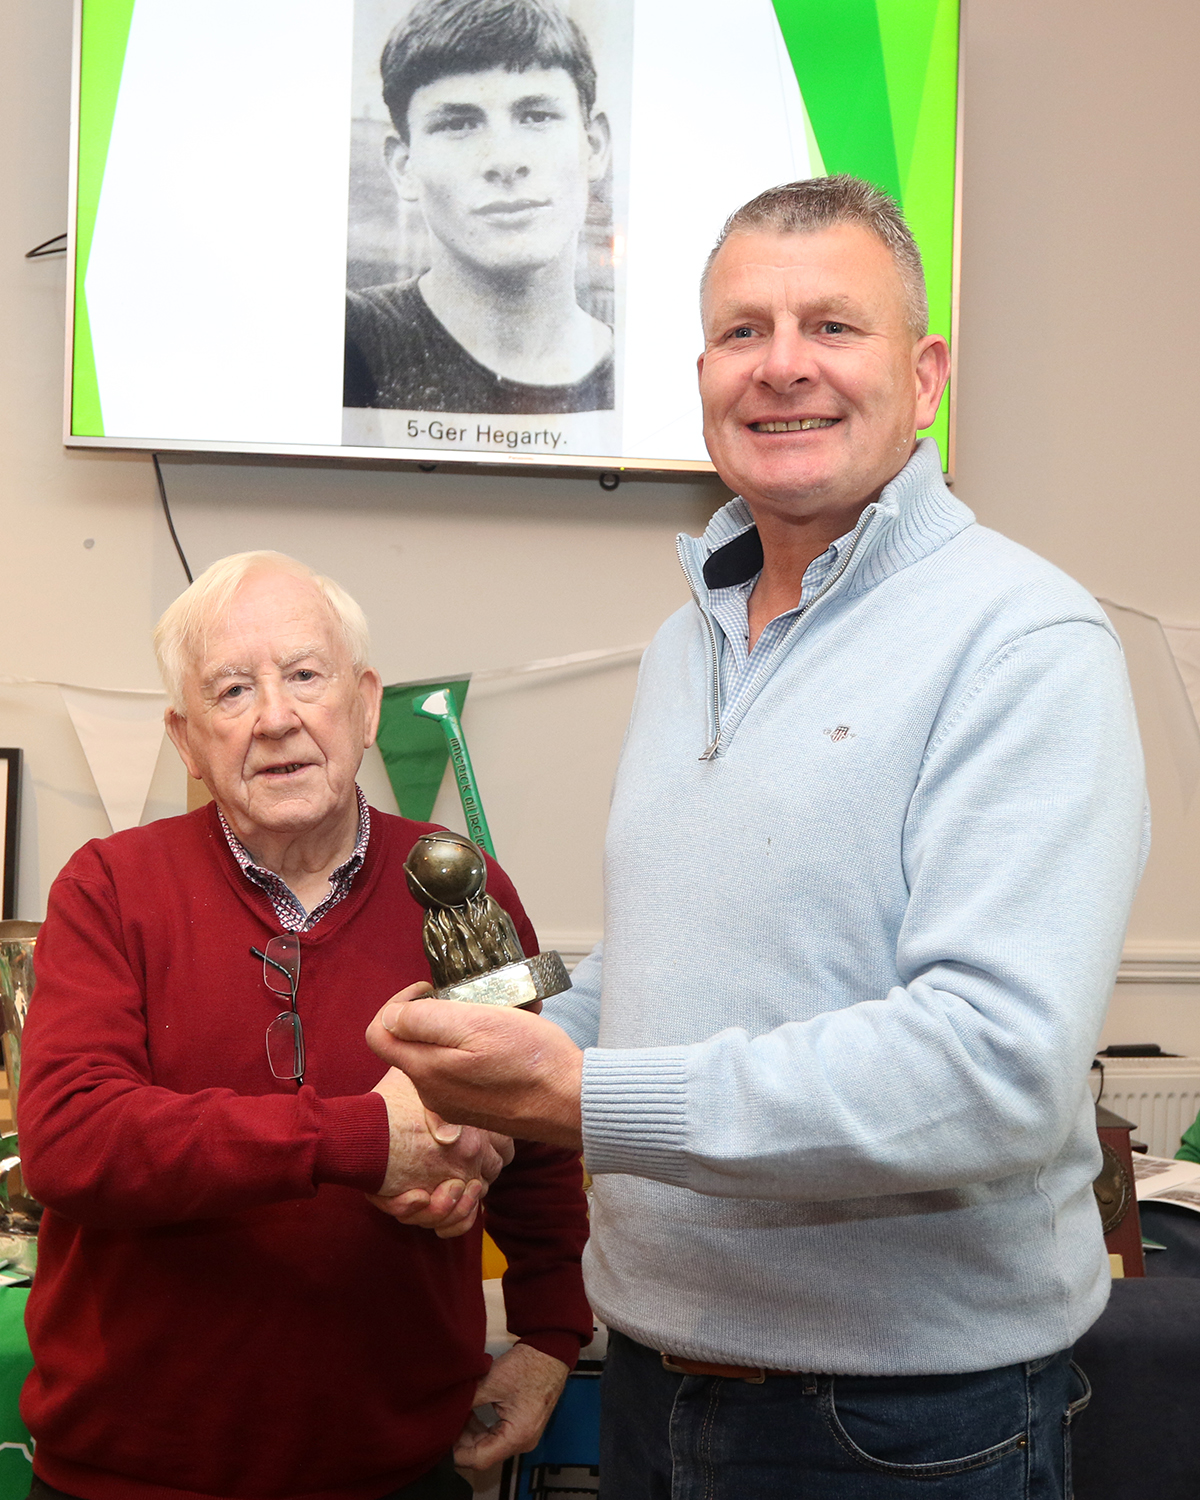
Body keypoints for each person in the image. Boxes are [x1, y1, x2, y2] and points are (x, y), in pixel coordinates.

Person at [364, 175, 1149, 1497]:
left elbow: (995, 1069)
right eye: (743, 332)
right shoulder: (689, 645)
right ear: (703, 380)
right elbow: (661, 977)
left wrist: (579, 1100)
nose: (782, 366)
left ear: (926, 376)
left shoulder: (1027, 642)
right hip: (653, 1380)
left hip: (904, 1430)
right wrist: (489, 1092)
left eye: (832, 325)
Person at [17, 552, 591, 1500]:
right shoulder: (108, 888)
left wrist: (550, 1335)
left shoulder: (461, 887)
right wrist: (364, 1141)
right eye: (232, 690)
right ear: (186, 739)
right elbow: (74, 1142)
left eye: (305, 675)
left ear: (364, 706)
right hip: (129, 1474)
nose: (276, 718)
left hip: (401, 1471)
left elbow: (535, 1130)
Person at [344, 0, 614, 415]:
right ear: (404, 166)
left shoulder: (650, 369)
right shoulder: (345, 337)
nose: (504, 161)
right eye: (458, 124)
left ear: (594, 146)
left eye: (537, 116)